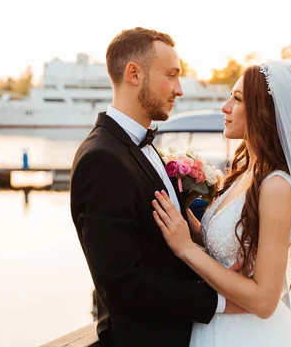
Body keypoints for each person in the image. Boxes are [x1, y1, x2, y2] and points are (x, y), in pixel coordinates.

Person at [152, 60, 291, 346]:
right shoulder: (247, 173)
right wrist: (184, 218)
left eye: (236, 99)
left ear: (264, 112)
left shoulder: (277, 186)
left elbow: (264, 300)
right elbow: (229, 243)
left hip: (247, 334)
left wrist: (186, 248)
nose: (225, 107)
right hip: (216, 325)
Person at [70, 27, 242, 347]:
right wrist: (221, 301)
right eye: (171, 75)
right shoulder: (102, 160)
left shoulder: (140, 146)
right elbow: (122, 283)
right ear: (133, 74)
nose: (179, 89)